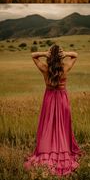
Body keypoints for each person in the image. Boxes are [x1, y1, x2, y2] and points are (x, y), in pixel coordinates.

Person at [24, 44, 81, 176]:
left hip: (49, 99)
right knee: (62, 126)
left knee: (48, 126)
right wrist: (65, 53)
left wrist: (45, 53)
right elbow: (75, 55)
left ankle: (47, 150)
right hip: (62, 100)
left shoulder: (45, 68)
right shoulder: (65, 67)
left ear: (50, 56)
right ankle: (62, 150)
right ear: (60, 56)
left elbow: (33, 56)